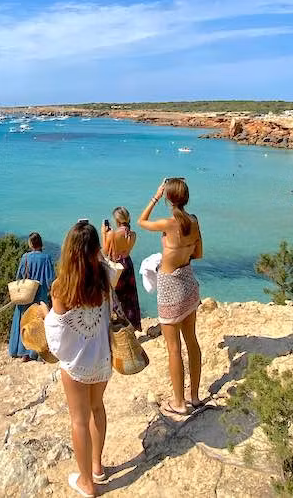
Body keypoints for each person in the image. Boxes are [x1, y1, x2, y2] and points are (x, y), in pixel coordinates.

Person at [41, 221, 111, 497]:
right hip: (102, 358)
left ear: (69, 250)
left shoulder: (61, 287)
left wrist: (45, 314)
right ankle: (97, 467)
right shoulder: (103, 276)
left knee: (78, 420)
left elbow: (57, 336)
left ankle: (86, 483)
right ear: (95, 249)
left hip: (76, 364)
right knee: (98, 408)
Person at [139, 178, 203, 416]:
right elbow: (198, 253)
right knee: (192, 341)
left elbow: (141, 221)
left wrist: (155, 197)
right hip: (189, 284)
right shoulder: (194, 221)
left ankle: (179, 403)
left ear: (168, 198)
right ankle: (194, 397)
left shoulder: (168, 223)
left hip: (169, 289)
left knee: (174, 348)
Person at [8, 232, 55, 362]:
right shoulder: (46, 258)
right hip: (39, 296)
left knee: (24, 322)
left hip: (26, 295)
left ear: (30, 244)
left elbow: (19, 276)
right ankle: (37, 353)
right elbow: (50, 280)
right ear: (41, 243)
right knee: (39, 324)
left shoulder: (25, 257)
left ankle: (22, 352)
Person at [101, 207, 141, 331]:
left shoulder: (112, 234)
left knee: (115, 296)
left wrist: (103, 234)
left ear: (117, 220)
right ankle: (133, 323)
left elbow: (105, 252)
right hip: (127, 265)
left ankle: (119, 324)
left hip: (116, 267)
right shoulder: (133, 235)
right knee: (130, 296)